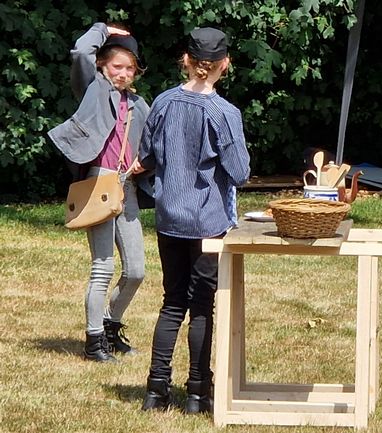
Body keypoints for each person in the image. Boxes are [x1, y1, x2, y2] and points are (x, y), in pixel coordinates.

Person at [138, 27, 250, 414]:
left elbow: (147, 156)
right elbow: (239, 172)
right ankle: (198, 394)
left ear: (185, 61)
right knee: (201, 306)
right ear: (225, 65)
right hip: (206, 223)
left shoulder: (163, 102)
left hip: (169, 216)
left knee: (172, 303)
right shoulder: (225, 114)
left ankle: (155, 392)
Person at [47, 23, 150, 362]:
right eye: (116, 66)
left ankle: (110, 325)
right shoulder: (94, 89)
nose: (122, 73)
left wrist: (145, 164)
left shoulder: (140, 105)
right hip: (97, 183)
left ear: (137, 72)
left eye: (129, 68)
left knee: (136, 269)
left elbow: (153, 144)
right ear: (103, 66)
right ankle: (94, 342)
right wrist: (103, 29)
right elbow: (80, 51)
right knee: (102, 267)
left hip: (128, 187)